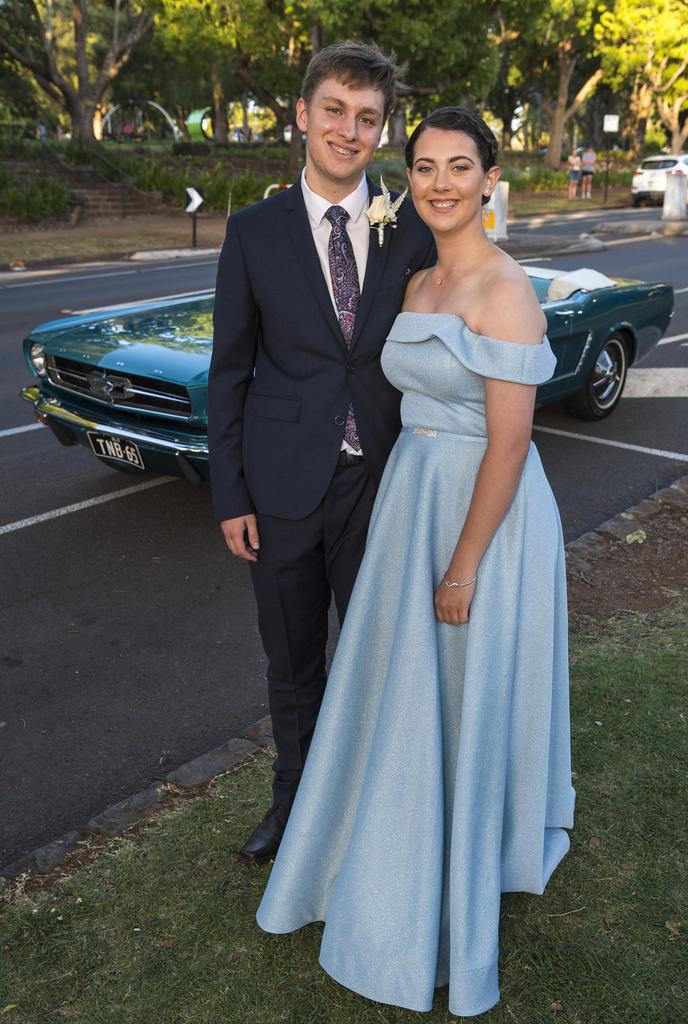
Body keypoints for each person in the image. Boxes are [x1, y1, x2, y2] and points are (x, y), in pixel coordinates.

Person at [256, 107, 575, 1018]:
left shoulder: (505, 290)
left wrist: (465, 566)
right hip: (413, 500)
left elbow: (511, 445)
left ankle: (462, 850)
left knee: (463, 685)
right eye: (426, 166)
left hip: (485, 515)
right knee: (405, 688)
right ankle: (388, 836)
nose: (440, 182)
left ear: (489, 180)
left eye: (460, 167)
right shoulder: (419, 280)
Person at [207, 41, 435, 865]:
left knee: (384, 660)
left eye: (368, 118)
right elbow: (228, 371)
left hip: (384, 483)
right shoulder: (252, 232)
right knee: (294, 663)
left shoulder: (412, 226)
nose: (350, 130)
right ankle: (294, 807)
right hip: (281, 490)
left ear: (382, 131)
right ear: (302, 115)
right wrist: (230, 494)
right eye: (335, 110)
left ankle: (378, 809)